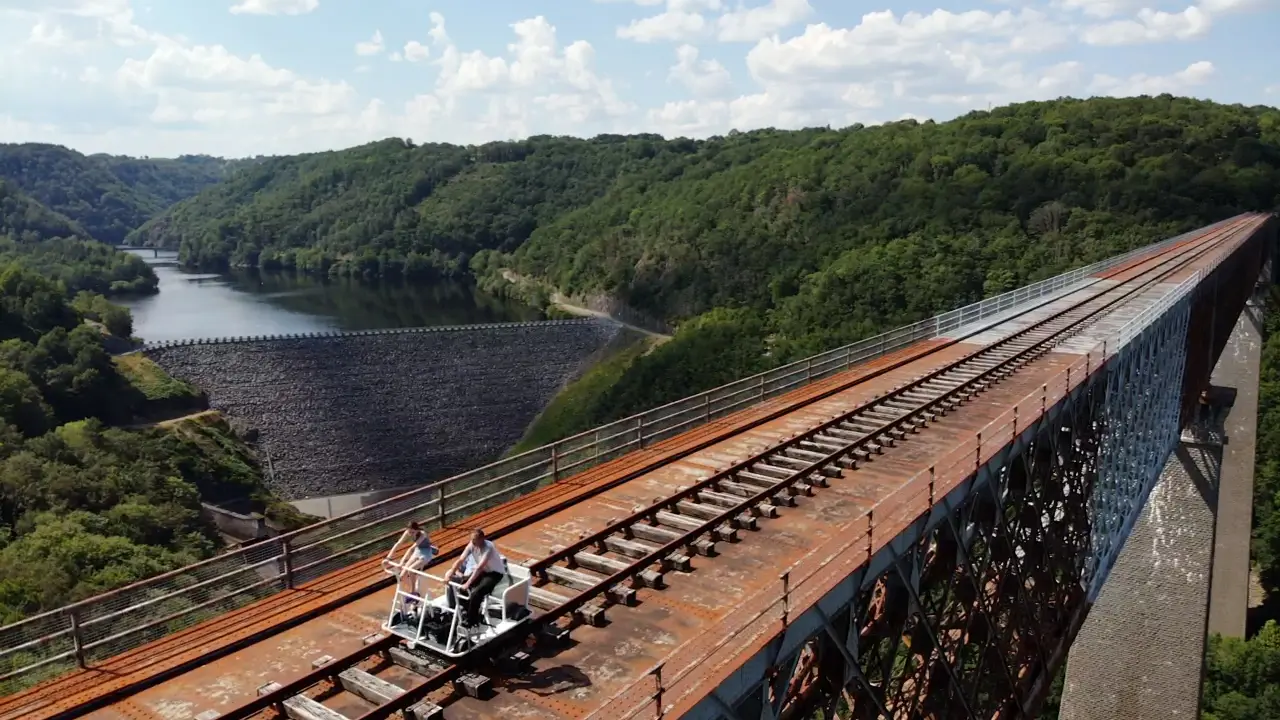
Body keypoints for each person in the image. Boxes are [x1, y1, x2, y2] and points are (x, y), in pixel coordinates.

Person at [445, 529, 505, 626]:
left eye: (475, 540)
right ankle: (463, 610)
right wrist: (451, 573)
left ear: (482, 539)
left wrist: (467, 584)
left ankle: (471, 620)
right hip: (483, 571)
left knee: (477, 592)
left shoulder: (488, 547)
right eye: (472, 540)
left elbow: (479, 567)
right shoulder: (472, 544)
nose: (473, 542)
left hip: (494, 573)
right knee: (459, 585)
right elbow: (461, 559)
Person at [400, 521, 437, 598]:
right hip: (418, 550)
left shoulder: (423, 534)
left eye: (412, 532)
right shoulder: (408, 532)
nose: (410, 534)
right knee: (402, 575)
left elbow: (411, 549)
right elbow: (398, 543)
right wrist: (389, 556)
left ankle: (413, 592)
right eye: (409, 532)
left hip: (426, 552)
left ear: (417, 530)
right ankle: (414, 589)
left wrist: (402, 561)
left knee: (411, 570)